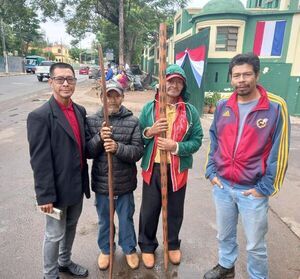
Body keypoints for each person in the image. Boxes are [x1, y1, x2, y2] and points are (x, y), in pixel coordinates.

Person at [204, 53, 290, 279]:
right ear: (230, 78)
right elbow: (214, 141)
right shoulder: (223, 105)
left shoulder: (275, 106)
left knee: (255, 244)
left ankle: (257, 276)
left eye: (247, 74)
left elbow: (279, 152)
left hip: (252, 190)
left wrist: (265, 188)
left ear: (257, 75)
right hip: (222, 186)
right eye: (236, 75)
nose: (241, 80)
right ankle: (225, 266)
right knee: (224, 235)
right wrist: (211, 172)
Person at [27, 62, 90, 279]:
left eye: (70, 79)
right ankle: (50, 274)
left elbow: (86, 148)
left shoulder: (80, 111)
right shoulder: (40, 116)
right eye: (60, 79)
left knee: (71, 226)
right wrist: (44, 196)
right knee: (54, 235)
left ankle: (64, 262)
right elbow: (39, 161)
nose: (66, 83)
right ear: (51, 82)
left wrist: (102, 139)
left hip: (77, 186)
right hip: (55, 191)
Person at [138, 64, 203, 268]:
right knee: (149, 211)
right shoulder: (150, 108)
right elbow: (138, 135)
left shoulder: (190, 112)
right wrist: (150, 131)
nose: (174, 85)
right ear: (162, 82)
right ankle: (147, 246)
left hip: (176, 169)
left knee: (174, 210)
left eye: (179, 81)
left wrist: (176, 146)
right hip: (153, 168)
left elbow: (197, 139)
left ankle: (172, 244)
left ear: (183, 85)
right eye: (171, 80)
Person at [85, 81, 144, 270]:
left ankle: (129, 249)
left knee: (126, 218)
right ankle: (106, 249)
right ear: (101, 97)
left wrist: (117, 148)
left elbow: (137, 151)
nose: (112, 99)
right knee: (104, 219)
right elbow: (87, 151)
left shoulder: (133, 121)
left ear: (122, 97)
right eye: (108, 95)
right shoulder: (93, 120)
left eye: (116, 95)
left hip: (124, 183)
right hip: (102, 183)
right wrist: (99, 138)